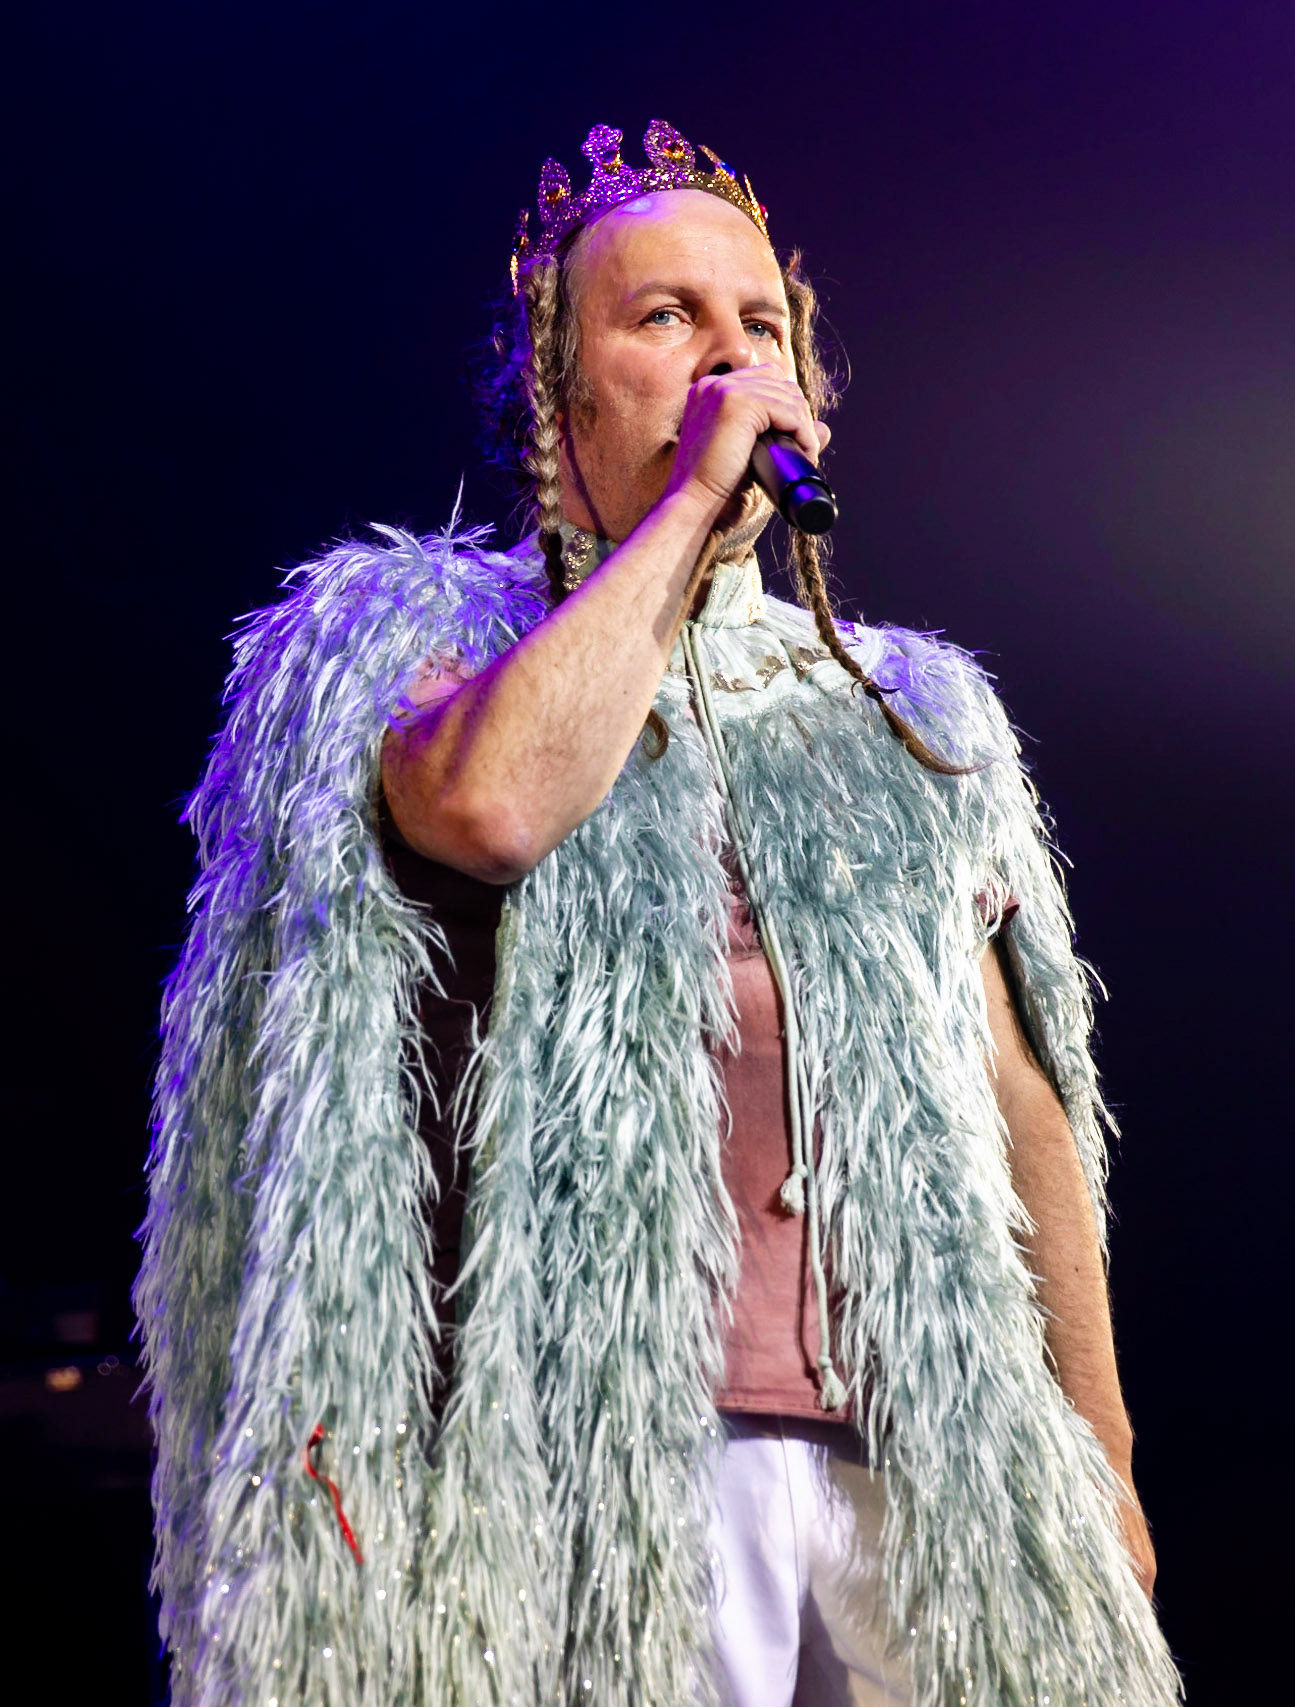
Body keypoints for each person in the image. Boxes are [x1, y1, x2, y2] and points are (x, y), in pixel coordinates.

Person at [137, 119, 1182, 1707]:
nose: (730, 360)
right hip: (603, 1476)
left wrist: (1097, 1449)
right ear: (558, 401)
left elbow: (1021, 1100)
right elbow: (492, 808)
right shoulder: (409, 640)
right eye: (666, 318)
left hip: (931, 1469)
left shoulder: (913, 712)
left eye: (761, 325)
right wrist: (687, 516)